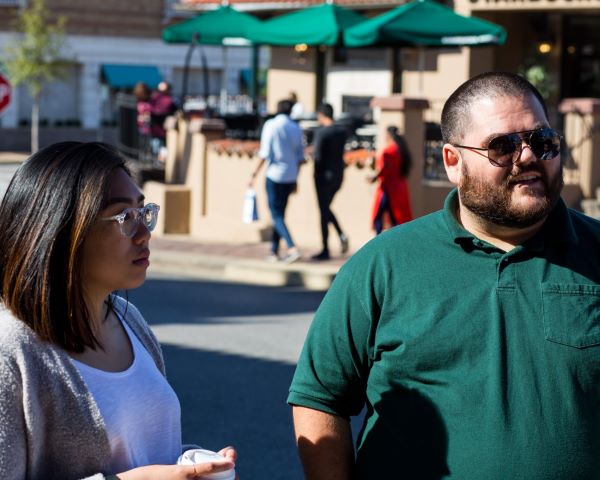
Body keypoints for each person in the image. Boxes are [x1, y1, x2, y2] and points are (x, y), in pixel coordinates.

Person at [288, 72, 600, 479]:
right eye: (503, 146)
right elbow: (319, 397)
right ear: (453, 162)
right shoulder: (383, 264)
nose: (527, 157)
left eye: (542, 142)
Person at [0, 142, 237, 479]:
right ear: (63, 230)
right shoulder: (12, 351)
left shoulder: (128, 319)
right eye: (125, 217)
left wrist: (194, 466)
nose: (144, 234)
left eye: (144, 213)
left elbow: (145, 455)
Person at [249, 99, 304, 263]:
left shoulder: (271, 125)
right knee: (279, 214)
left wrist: (253, 174)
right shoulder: (295, 128)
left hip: (274, 175)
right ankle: (273, 251)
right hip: (290, 175)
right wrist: (296, 178)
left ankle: (291, 247)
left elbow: (264, 153)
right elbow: (300, 157)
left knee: (276, 215)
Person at [311, 103, 349, 261]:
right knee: (326, 209)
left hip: (323, 176)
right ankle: (341, 234)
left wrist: (315, 175)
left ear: (321, 115)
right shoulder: (341, 131)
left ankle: (325, 248)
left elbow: (318, 157)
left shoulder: (321, 133)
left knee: (323, 211)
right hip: (338, 175)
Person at [369, 125, 413, 234]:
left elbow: (385, 168)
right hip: (400, 187)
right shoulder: (401, 149)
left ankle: (379, 239)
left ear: (388, 135)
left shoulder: (389, 151)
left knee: (379, 216)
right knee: (396, 217)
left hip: (388, 188)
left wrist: (374, 178)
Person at [150, 81, 178, 160]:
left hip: (163, 129)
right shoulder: (156, 98)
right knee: (158, 146)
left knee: (161, 147)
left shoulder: (170, 100)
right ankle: (157, 160)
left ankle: (158, 160)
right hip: (157, 128)